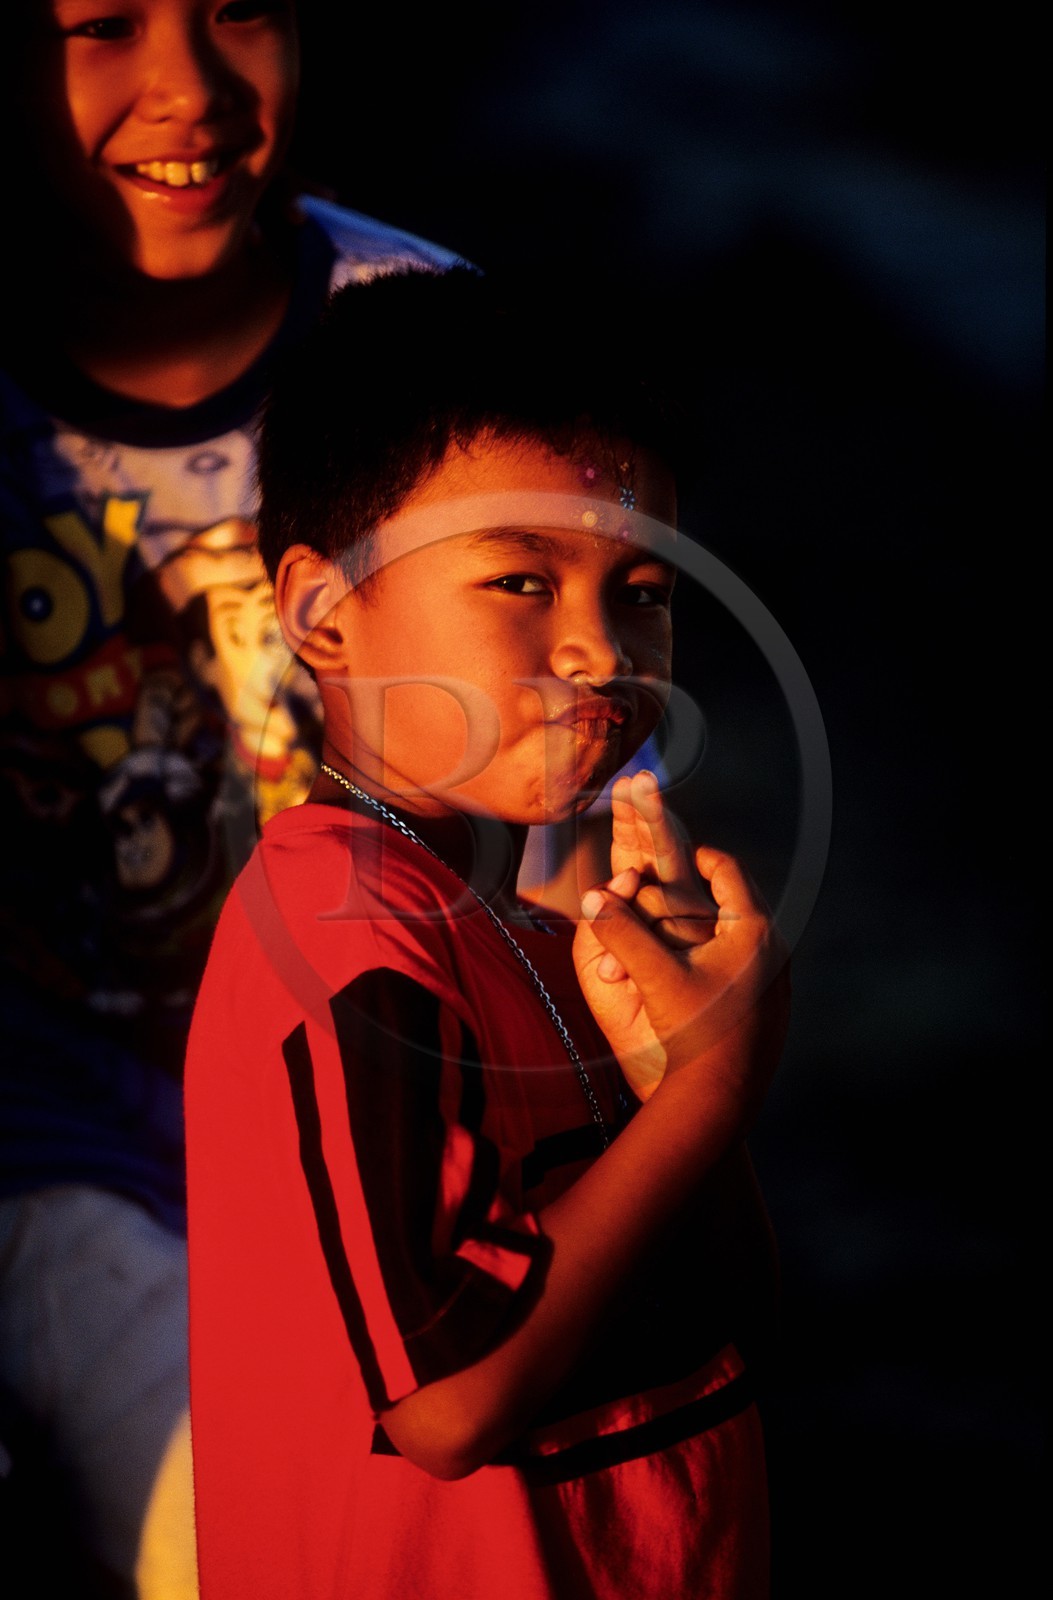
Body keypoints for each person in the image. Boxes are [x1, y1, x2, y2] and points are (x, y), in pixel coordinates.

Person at [186, 265, 790, 1598]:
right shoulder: (339, 921)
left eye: (640, 590)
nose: (599, 650)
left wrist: (673, 1078)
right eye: (522, 580)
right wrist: (704, 1087)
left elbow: (717, 1313)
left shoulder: (532, 915)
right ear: (322, 614)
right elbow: (447, 1403)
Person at [0, 3, 456, 1593]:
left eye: (243, 8)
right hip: (59, 1127)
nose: (186, 85)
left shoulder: (415, 336)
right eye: (101, 24)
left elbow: (572, 713)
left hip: (382, 1099)